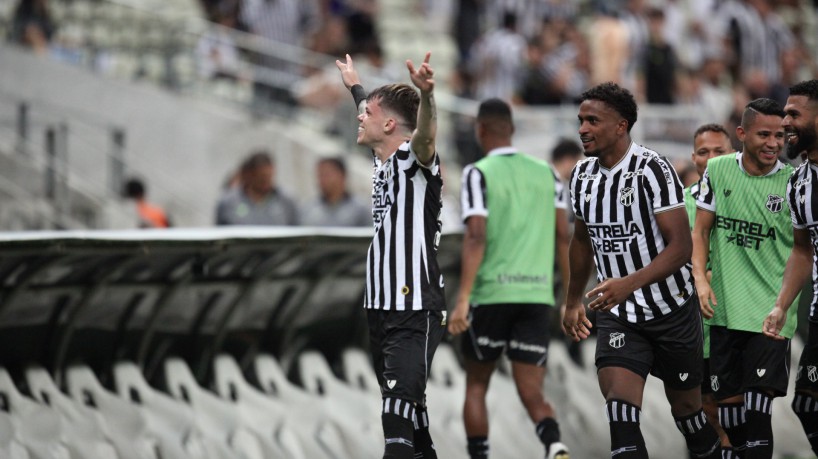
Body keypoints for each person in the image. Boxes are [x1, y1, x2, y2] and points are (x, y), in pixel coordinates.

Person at [561, 82, 721, 459]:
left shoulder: (652, 168)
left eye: (592, 121)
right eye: (581, 120)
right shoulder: (581, 176)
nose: (582, 128)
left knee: (688, 415)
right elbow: (581, 241)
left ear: (621, 125)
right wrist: (572, 302)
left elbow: (681, 247)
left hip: (672, 312)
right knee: (619, 410)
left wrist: (628, 285)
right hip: (620, 317)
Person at [335, 51, 446, 459]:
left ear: (390, 125)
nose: (360, 116)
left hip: (413, 307)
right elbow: (369, 110)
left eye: (370, 113)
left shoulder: (415, 160)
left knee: (395, 425)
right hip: (381, 308)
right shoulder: (382, 160)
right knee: (414, 425)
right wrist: (355, 85)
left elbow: (426, 136)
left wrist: (427, 96)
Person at [447, 98, 570, 459]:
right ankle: (554, 443)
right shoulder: (547, 172)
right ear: (512, 130)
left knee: (476, 385)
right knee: (532, 391)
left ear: (479, 130)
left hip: (491, 294)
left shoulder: (477, 172)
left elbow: (476, 236)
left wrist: (463, 298)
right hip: (536, 295)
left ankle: (480, 455)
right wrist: (569, 298)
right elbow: (565, 236)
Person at [692, 98, 796, 458]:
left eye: (780, 135)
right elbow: (701, 232)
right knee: (732, 418)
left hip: (770, 317)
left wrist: (784, 305)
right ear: (742, 134)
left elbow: (804, 251)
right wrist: (701, 280)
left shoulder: (793, 183)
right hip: (725, 314)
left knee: (756, 411)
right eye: (764, 134)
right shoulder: (718, 171)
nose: (773, 143)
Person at [763, 79, 818, 457]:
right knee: (807, 404)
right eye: (784, 114)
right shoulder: (798, 182)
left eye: (794, 114)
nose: (785, 123)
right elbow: (802, 251)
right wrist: (782, 304)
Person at [684, 124, 733, 457]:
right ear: (694, 158)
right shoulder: (677, 204)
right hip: (693, 330)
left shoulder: (745, 198)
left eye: (719, 151)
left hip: (736, 325)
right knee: (698, 414)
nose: (711, 158)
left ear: (732, 155)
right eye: (704, 152)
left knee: (732, 414)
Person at [215, 151, 299, 226]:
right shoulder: (228, 203)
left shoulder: (286, 202)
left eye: (269, 177)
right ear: (250, 175)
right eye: (262, 177)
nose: (266, 182)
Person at [301, 157, 371, 227]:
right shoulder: (309, 210)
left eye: (326, 175)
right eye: (319, 175)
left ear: (342, 175)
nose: (322, 180)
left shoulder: (360, 210)